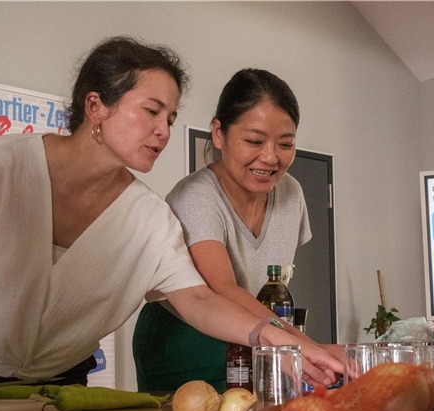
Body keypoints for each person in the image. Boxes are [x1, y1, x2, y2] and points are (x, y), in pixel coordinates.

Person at [0, 37, 342, 396]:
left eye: (170, 118)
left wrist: (278, 340)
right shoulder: (2, 166)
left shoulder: (147, 216)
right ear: (96, 107)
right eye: (151, 112)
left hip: (62, 389)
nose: (164, 131)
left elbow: (201, 300)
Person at [133, 68, 342, 393]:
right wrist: (304, 345)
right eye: (254, 141)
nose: (271, 157)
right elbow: (221, 290)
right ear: (219, 133)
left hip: (260, 333)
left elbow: (272, 285)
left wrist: (297, 343)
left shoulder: (291, 194)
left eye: (285, 144)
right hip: (185, 339)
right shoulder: (196, 197)